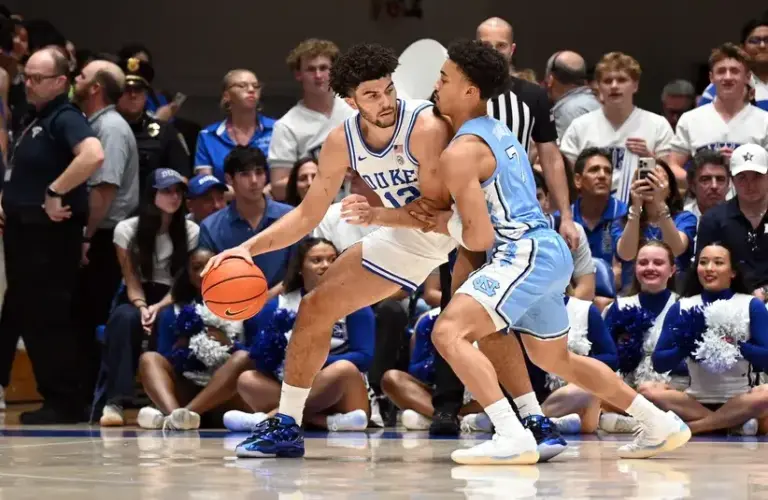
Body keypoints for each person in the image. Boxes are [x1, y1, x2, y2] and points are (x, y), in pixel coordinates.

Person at [418, 40, 690, 464]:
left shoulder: (460, 151)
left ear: (470, 90)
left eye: (444, 78)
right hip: (547, 251)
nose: (436, 85)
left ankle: (512, 434)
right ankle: (658, 422)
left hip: (521, 254)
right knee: (554, 357)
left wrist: (445, 223)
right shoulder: (499, 129)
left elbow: (478, 238)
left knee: (446, 331)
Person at [203, 42, 456, 459]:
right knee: (314, 307)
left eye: (388, 90)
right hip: (403, 233)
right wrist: (245, 249)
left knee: (498, 334)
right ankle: (286, 424)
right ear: (349, 100)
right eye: (371, 95)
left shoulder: (424, 125)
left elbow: (435, 211)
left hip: (463, 231)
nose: (386, 101)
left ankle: (526, 419)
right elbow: (306, 215)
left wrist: (376, 217)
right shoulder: (342, 140)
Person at [222, 238, 374, 432]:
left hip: (342, 393)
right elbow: (259, 350)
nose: (326, 265)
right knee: (247, 379)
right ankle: (325, 422)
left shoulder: (356, 303)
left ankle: (270, 419)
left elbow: (364, 357)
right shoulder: (277, 305)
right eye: (317, 260)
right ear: (300, 268)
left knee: (343, 369)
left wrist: (308, 362)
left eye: (332, 259)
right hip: (297, 387)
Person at [94, 169, 199, 426]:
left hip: (174, 295)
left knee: (168, 318)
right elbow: (131, 281)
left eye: (178, 192)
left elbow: (184, 282)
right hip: (137, 294)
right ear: (152, 194)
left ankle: (162, 401)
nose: (174, 197)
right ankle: (115, 402)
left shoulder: (191, 230)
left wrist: (159, 306)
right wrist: (143, 307)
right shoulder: (126, 229)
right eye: (166, 191)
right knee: (123, 318)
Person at [647, 242, 768, 435]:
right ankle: (731, 424)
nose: (709, 268)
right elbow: (659, 363)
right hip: (694, 400)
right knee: (648, 390)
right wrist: (685, 346)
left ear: (733, 272)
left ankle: (694, 428)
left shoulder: (751, 305)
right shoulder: (682, 307)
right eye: (703, 263)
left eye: (718, 263)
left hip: (741, 398)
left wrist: (736, 345)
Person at [137, 248, 253, 430]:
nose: (202, 273)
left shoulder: (244, 308)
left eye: (209, 267)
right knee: (148, 359)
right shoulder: (171, 312)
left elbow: (256, 358)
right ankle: (177, 415)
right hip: (186, 387)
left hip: (225, 394)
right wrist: (182, 347)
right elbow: (164, 357)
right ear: (188, 273)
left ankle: (180, 418)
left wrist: (229, 344)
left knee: (243, 357)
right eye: (196, 267)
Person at [599, 241, 684, 434]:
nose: (650, 268)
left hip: (668, 387)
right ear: (635, 268)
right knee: (592, 393)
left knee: (654, 394)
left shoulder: (685, 305)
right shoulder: (618, 307)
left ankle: (632, 422)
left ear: (672, 270)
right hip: (626, 387)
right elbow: (605, 356)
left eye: (658, 263)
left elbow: (691, 360)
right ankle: (650, 424)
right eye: (643, 263)